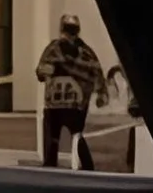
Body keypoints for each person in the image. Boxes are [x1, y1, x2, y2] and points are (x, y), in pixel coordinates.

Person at [34, 13, 108, 170]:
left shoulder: (58, 49)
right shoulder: (83, 52)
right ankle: (82, 165)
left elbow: (41, 72)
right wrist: (101, 93)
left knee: (67, 135)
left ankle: (78, 165)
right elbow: (41, 71)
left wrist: (101, 92)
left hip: (65, 103)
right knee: (69, 134)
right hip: (68, 103)